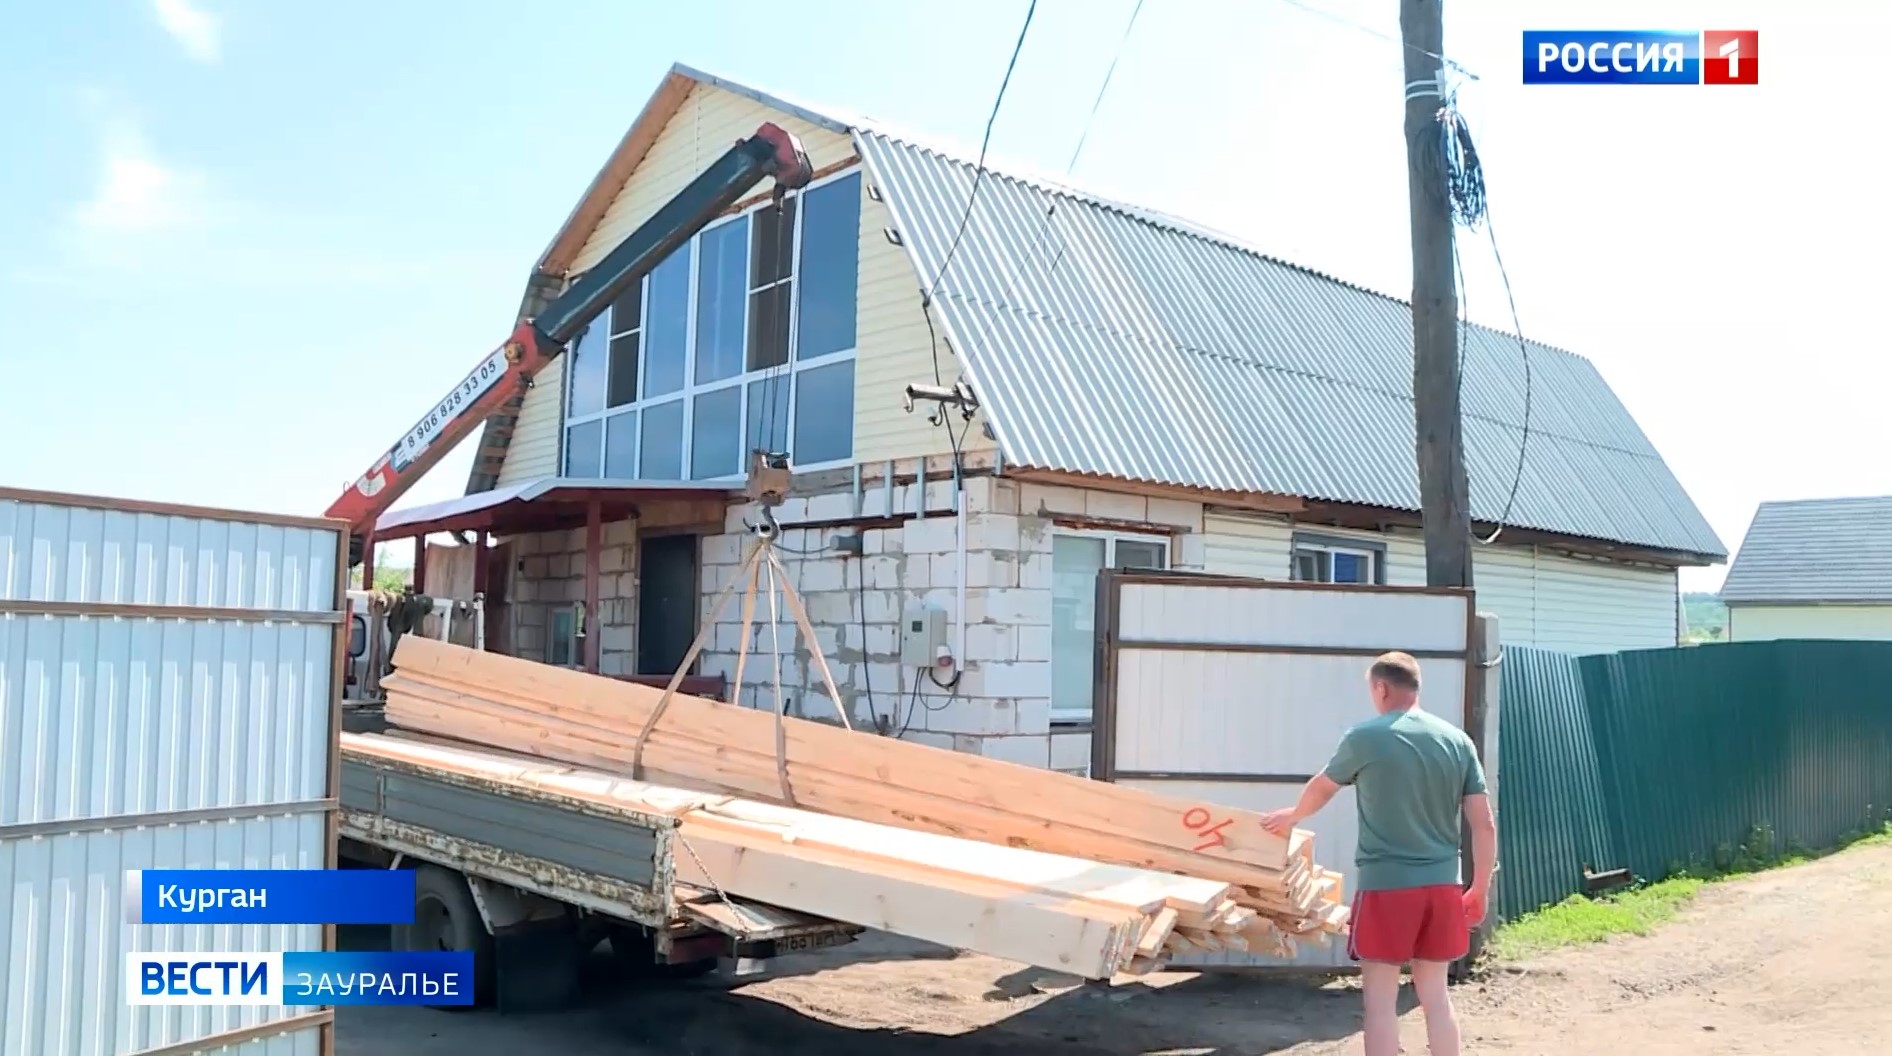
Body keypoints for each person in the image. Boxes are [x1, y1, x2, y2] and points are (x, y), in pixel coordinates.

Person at [1260, 651, 1495, 1056]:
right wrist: (1480, 887)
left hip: (1386, 887)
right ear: (1416, 687)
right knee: (1436, 997)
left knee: (1381, 1003)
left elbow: (1323, 785)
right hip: (1443, 885)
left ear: (1381, 688)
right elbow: (1484, 824)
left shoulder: (1365, 737)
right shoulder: (1458, 741)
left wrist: (1294, 815)